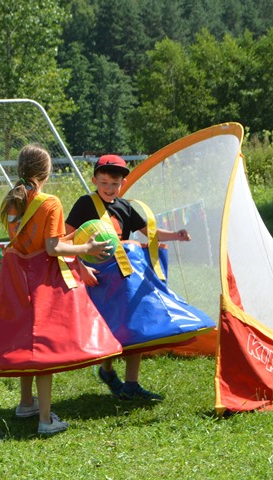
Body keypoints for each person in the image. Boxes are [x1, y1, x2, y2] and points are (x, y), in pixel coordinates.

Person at [0, 144, 122, 436]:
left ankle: (26, 402)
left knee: (25, 340)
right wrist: (86, 248)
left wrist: (74, 238)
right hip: (42, 280)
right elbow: (52, 248)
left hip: (16, 278)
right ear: (47, 172)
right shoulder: (50, 202)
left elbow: (32, 241)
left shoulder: (13, 199)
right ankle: (45, 420)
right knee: (44, 347)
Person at [65, 154, 215, 401]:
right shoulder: (85, 204)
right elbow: (65, 240)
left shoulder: (124, 207)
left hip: (127, 280)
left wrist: (176, 235)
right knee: (110, 328)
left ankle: (131, 385)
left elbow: (150, 233)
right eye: (104, 183)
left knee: (135, 327)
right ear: (94, 180)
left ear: (122, 183)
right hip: (99, 279)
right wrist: (81, 267)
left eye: (115, 184)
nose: (109, 189)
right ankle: (107, 369)